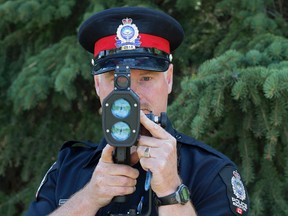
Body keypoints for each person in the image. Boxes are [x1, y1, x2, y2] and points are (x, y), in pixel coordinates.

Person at [25, 6, 250, 216]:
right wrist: (88, 198)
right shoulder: (69, 167)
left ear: (169, 79)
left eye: (145, 78)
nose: (132, 95)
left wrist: (172, 191)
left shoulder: (209, 171)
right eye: (116, 80)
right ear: (97, 86)